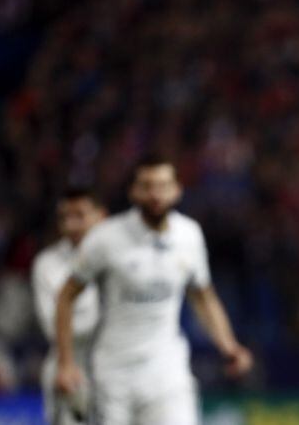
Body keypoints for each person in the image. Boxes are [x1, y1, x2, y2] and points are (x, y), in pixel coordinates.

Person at [54, 155, 254, 425]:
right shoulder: (105, 238)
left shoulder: (189, 235)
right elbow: (66, 297)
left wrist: (229, 346)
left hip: (167, 372)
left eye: (162, 185)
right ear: (133, 191)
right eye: (147, 186)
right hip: (113, 375)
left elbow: (203, 297)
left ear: (177, 190)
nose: (155, 194)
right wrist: (65, 364)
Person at [33, 187, 106, 424]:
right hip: (68, 366)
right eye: (65, 217)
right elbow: (51, 326)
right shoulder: (46, 264)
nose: (72, 224)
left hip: (114, 365)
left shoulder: (117, 258)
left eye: (80, 215)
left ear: (100, 215)